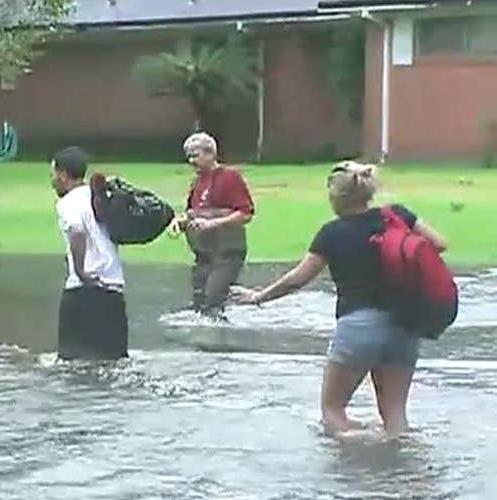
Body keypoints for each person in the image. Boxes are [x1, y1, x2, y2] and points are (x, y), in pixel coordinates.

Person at [238, 161, 447, 439]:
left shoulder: (332, 233)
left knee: (333, 411)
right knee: (395, 418)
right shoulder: (397, 215)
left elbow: (298, 278)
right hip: (405, 325)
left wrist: (259, 297)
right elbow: (439, 243)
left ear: (336, 197)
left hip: (358, 326)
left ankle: (350, 463)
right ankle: (399, 463)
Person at [51, 146, 128, 360]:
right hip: (114, 291)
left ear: (63, 175)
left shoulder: (68, 202)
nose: (53, 181)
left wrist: (80, 271)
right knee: (113, 362)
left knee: (72, 362)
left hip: (83, 292)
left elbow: (77, 232)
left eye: (53, 175)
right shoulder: (101, 198)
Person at [177, 132, 255, 317]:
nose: (191, 161)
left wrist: (213, 223)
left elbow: (246, 213)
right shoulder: (196, 183)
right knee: (199, 302)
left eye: (195, 155)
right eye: (189, 157)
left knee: (212, 299)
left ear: (210, 153)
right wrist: (183, 222)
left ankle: (224, 333)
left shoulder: (230, 177)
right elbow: (193, 212)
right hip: (203, 254)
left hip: (227, 252)